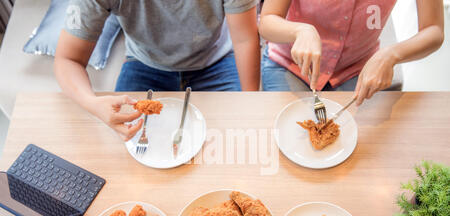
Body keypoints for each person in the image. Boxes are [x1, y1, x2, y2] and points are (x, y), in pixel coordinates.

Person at [54, 0, 260, 141]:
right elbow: (68, 59)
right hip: (144, 63)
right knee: (129, 147)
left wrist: (250, 102)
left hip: (217, 60)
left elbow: (245, 39)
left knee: (239, 139)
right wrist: (93, 103)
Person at [259, 0, 444, 105]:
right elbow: (267, 21)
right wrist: (300, 31)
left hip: (356, 69)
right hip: (289, 65)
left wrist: (391, 54)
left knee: (358, 150)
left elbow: (434, 29)